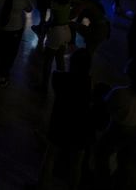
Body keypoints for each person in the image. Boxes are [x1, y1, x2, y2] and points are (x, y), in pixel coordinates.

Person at [36, 49, 93, 190]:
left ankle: (41, 186)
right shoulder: (88, 82)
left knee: (50, 156)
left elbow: (59, 80)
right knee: (76, 163)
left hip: (60, 121)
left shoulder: (58, 77)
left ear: (72, 63)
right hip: (80, 125)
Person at [95, 58, 136, 188]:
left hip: (120, 129)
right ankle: (121, 182)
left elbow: (106, 106)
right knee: (124, 161)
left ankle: (104, 181)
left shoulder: (121, 93)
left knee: (102, 154)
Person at [41, 0, 73, 91]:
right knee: (60, 59)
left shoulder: (55, 2)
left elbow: (54, 21)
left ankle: (44, 86)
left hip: (56, 32)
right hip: (66, 30)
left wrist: (45, 25)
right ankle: (62, 85)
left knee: (47, 61)